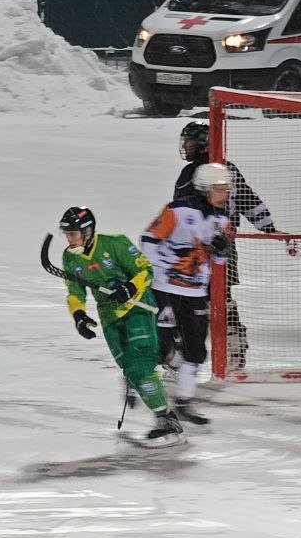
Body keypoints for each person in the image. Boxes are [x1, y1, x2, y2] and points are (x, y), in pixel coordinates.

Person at [58, 206, 182, 444]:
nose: (69, 238)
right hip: (109, 316)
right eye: (67, 233)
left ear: (88, 232)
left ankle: (167, 420)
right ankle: (164, 357)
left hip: (138, 308)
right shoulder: (70, 257)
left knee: (140, 367)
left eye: (73, 232)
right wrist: (79, 315)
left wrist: (131, 287)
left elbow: (145, 270)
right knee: (129, 368)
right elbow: (74, 291)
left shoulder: (114, 244)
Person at [173, 121, 278, 368]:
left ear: (202, 144)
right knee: (201, 298)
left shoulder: (202, 173)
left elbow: (246, 199)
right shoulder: (212, 170)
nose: (185, 147)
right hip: (201, 248)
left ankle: (227, 349)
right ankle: (225, 350)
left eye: (189, 142)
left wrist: (269, 227)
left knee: (211, 297)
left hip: (213, 248)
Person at [143, 162, 232, 425]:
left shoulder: (222, 219)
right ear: (205, 188)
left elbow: (219, 262)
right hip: (165, 289)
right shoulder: (178, 211)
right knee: (161, 346)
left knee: (195, 350)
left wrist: (221, 249)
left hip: (195, 292)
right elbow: (148, 239)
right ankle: (137, 382)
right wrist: (155, 275)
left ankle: (184, 400)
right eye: (219, 188)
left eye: (227, 188)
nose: (225, 192)